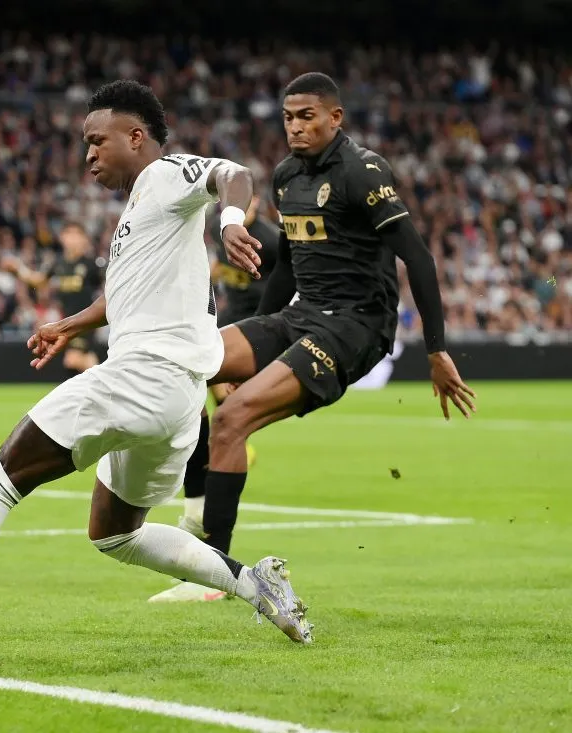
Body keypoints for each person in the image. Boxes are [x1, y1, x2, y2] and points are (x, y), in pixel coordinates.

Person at [0, 79, 314, 645]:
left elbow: (231, 175)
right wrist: (71, 324)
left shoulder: (164, 174)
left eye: (97, 141)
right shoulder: (146, 210)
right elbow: (124, 296)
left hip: (142, 376)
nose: (88, 155)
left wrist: (230, 222)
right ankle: (256, 585)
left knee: (3, 475)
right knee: (115, 533)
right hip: (176, 400)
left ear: (136, 136)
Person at [151, 72, 477, 604]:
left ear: (335, 118)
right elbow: (289, 271)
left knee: (232, 419)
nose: (296, 127)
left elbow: (417, 257)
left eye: (307, 116)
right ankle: (191, 509)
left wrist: (436, 350)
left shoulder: (362, 171)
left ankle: (218, 578)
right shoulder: (284, 178)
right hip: (301, 315)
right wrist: (255, 335)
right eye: (288, 117)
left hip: (356, 326)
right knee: (190, 364)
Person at [151, 194, 278, 603]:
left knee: (214, 405)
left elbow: (292, 283)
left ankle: (207, 551)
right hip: (233, 330)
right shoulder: (217, 232)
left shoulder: (270, 239)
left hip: (263, 333)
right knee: (202, 397)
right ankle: (200, 519)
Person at [2, 222, 105, 377]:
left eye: (77, 234)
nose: (72, 239)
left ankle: (109, 381)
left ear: (85, 239)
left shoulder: (91, 263)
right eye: (68, 234)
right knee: (85, 359)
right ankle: (105, 385)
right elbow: (38, 280)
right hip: (67, 320)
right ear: (62, 238)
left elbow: (109, 283)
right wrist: (18, 269)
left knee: (72, 360)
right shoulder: (58, 263)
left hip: (85, 320)